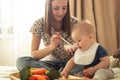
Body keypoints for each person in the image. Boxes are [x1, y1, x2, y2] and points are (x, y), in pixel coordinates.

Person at [16, 0, 84, 74]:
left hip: (72, 64)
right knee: (21, 61)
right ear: (48, 8)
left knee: (88, 63)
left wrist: (78, 48)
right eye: (56, 8)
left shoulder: (76, 23)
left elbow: (88, 49)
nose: (61, 12)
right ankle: (59, 74)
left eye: (64, 8)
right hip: (50, 64)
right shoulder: (39, 24)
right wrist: (52, 47)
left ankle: (54, 74)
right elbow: (34, 55)